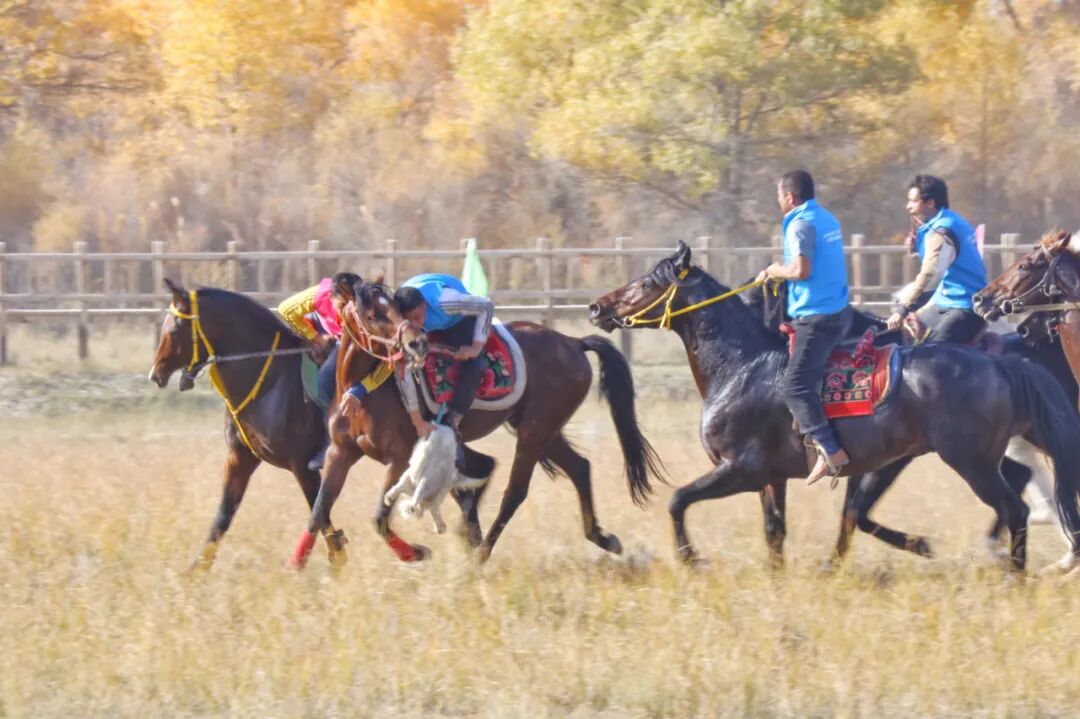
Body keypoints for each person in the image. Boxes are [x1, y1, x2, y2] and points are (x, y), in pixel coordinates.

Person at [756, 170, 852, 485]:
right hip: (839, 311)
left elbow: (801, 269)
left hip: (817, 318)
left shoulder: (800, 223)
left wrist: (773, 270)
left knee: (793, 386)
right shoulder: (827, 219)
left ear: (790, 197)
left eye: (779, 196)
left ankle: (830, 450)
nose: (778, 202)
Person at [278, 271, 373, 470]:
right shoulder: (317, 295)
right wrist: (317, 339)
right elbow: (285, 309)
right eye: (341, 305)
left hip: (352, 342)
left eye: (352, 305)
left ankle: (333, 440)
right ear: (331, 297)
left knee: (323, 384)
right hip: (328, 335)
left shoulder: (367, 301)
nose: (347, 311)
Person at [392, 273, 495, 444]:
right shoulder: (398, 313)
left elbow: (487, 306)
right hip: (429, 326)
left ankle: (454, 417)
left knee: (474, 362)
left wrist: (475, 348)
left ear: (425, 306)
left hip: (460, 320)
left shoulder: (446, 301)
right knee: (405, 359)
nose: (414, 324)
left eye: (416, 318)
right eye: (409, 320)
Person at [887, 175, 987, 344]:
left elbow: (931, 276)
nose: (908, 206)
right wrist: (919, 246)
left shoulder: (941, 232)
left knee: (931, 354)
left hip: (964, 306)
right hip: (946, 301)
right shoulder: (952, 220)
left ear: (930, 203)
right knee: (908, 335)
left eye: (913, 201)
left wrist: (902, 309)